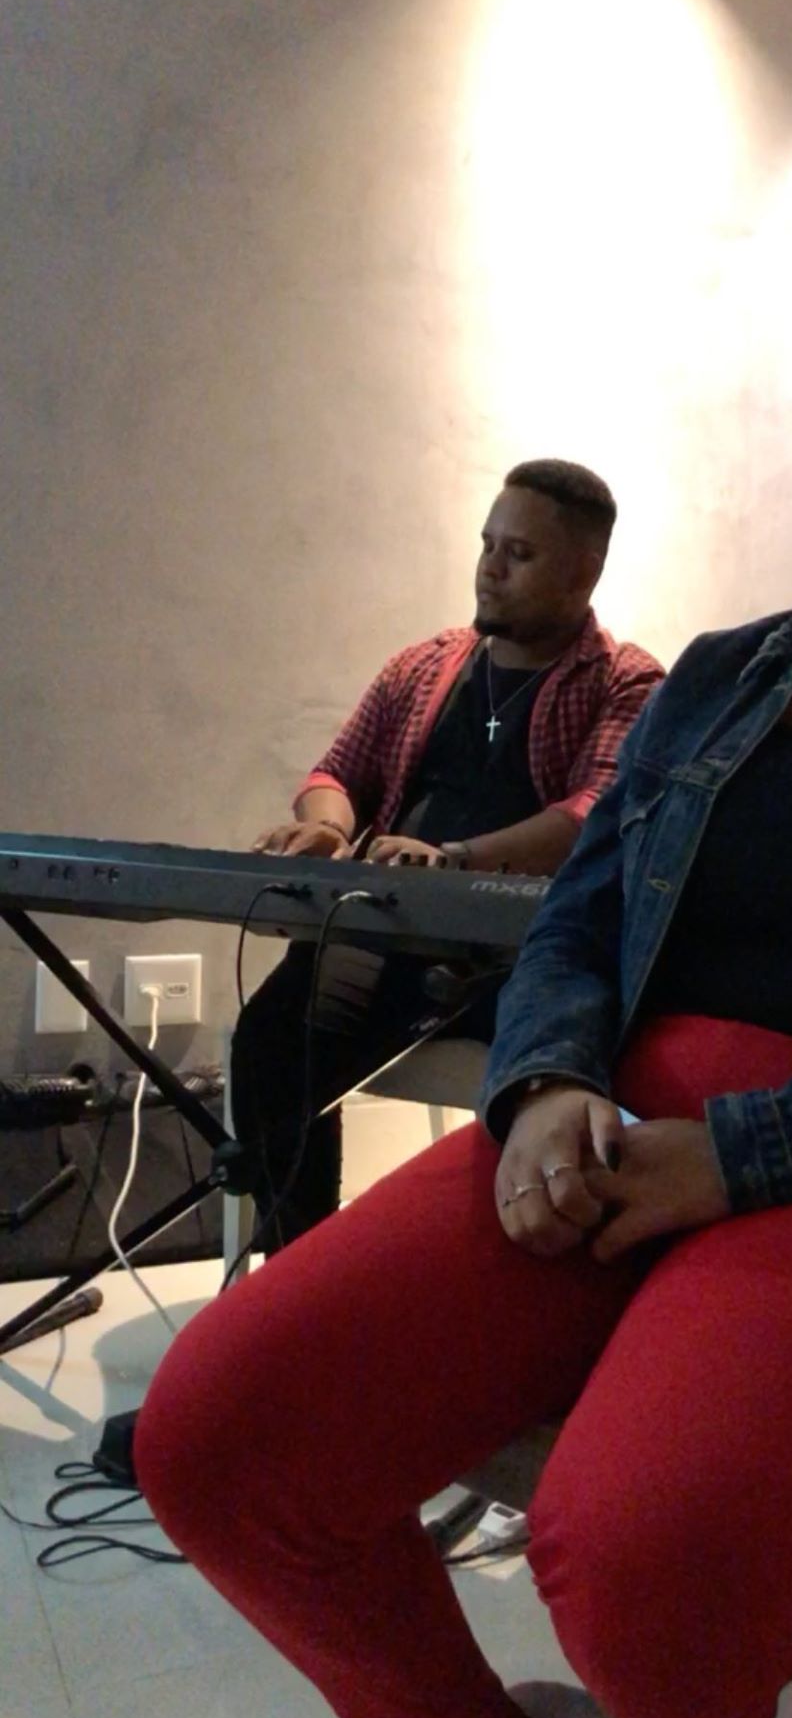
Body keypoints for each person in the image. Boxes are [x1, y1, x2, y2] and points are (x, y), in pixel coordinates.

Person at [137, 218, 792, 1718]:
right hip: (617, 1139)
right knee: (223, 1435)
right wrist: (546, 1086)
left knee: (656, 1569)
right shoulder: (716, 680)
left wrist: (742, 1153)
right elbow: (575, 926)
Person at [232, 458, 664, 1249]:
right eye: (488, 544)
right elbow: (336, 773)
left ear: (584, 570)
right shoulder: (425, 664)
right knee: (273, 1040)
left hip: (517, 957)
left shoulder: (625, 682)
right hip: (388, 932)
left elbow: (593, 814)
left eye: (519, 553)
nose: (491, 567)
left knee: (571, 1064)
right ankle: (298, 1257)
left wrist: (454, 858)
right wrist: (329, 829)